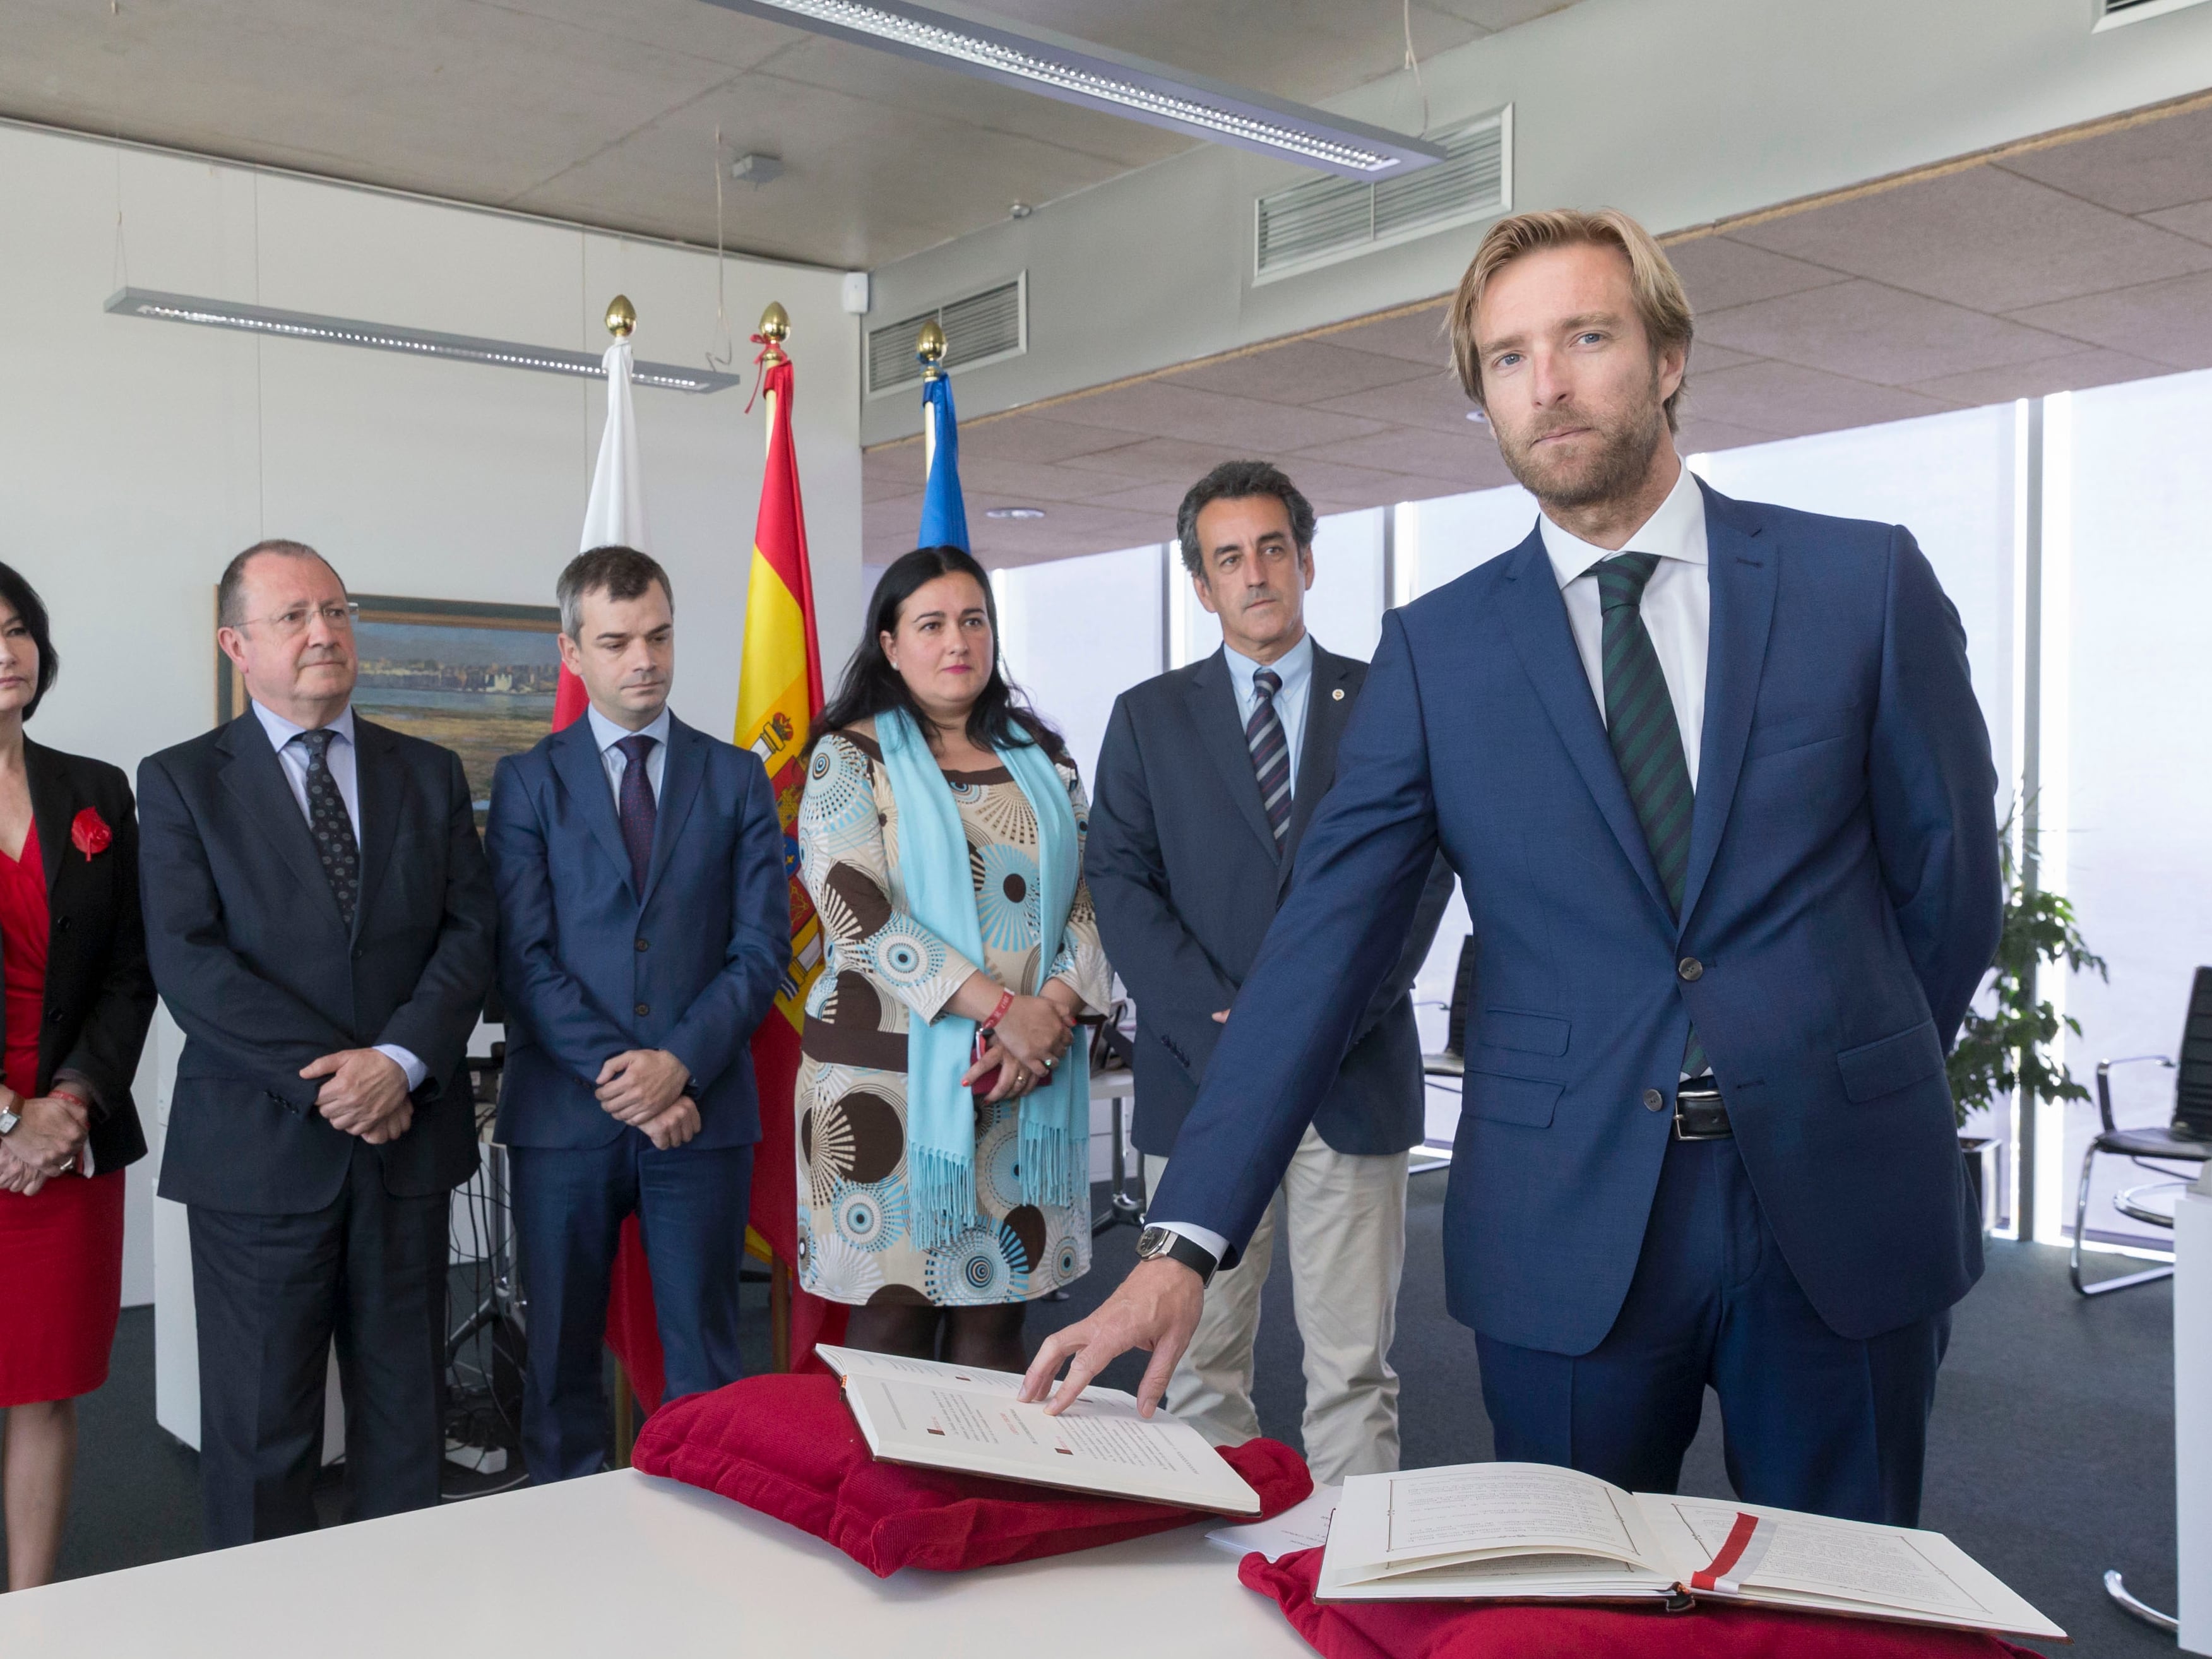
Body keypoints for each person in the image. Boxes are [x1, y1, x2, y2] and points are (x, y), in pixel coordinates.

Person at [1025, 208, 2002, 1529]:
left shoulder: (1859, 585)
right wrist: (1186, 1237)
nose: (1546, 383)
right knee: (1566, 1599)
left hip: (1837, 1198)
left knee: (1849, 1605)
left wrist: (1841, 1058)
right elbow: (1324, 949)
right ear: (1482, 399)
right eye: (1505, 358)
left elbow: (1948, 888)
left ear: (1666, 359)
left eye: (1586, 337)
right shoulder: (1439, 655)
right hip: (1567, 1220)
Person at [1085, 460, 1452, 1484]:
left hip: (1352, 1074)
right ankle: (1218, 1580)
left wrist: (1322, 1019)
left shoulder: (1389, 701)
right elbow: (1121, 881)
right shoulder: (1148, 717)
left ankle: (1354, 1589)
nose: (1257, 576)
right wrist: (1227, 1033)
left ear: (1307, 562)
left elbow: (1422, 873)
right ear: (1201, 585)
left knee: (1352, 1371)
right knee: (1195, 1364)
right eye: (1229, 559)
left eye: (1274, 550)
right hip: (1199, 1088)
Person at [140, 539, 495, 1547]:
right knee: (261, 1435)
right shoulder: (179, 783)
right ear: (235, 645)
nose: (323, 633)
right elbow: (191, 964)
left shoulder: (425, 772)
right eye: (294, 616)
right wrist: (338, 1079)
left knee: (406, 1421)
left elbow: (470, 934)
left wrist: (400, 1063)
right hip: (259, 1156)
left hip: (406, 1145)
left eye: (336, 611)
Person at [485, 546, 787, 1484]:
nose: (644, 660)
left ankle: (711, 1544)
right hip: (568, 1117)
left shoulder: (738, 779)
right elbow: (523, 961)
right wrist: (635, 1080)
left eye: (657, 636)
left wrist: (679, 1066)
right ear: (573, 652)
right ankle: (568, 1566)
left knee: (704, 1358)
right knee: (562, 1359)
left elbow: (760, 952)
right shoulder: (528, 783)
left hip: (702, 1112)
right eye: (616, 643)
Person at [794, 544, 1112, 1372]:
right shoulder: (847, 759)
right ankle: (886, 1503)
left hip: (1028, 1078)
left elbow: (1093, 898)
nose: (957, 641)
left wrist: (1045, 1022)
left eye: (973, 620)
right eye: (931, 624)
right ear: (891, 645)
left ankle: (983, 1497)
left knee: (997, 1319)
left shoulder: (1046, 760)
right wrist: (1010, 1016)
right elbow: (860, 916)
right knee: (896, 1318)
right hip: (891, 1084)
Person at [0, 566, 158, 1590]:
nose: (6, 652)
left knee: (42, 1388)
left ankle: (30, 1615)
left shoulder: (95, 789)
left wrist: (67, 1103)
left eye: (17, 631)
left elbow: (132, 967)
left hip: (68, 1127)